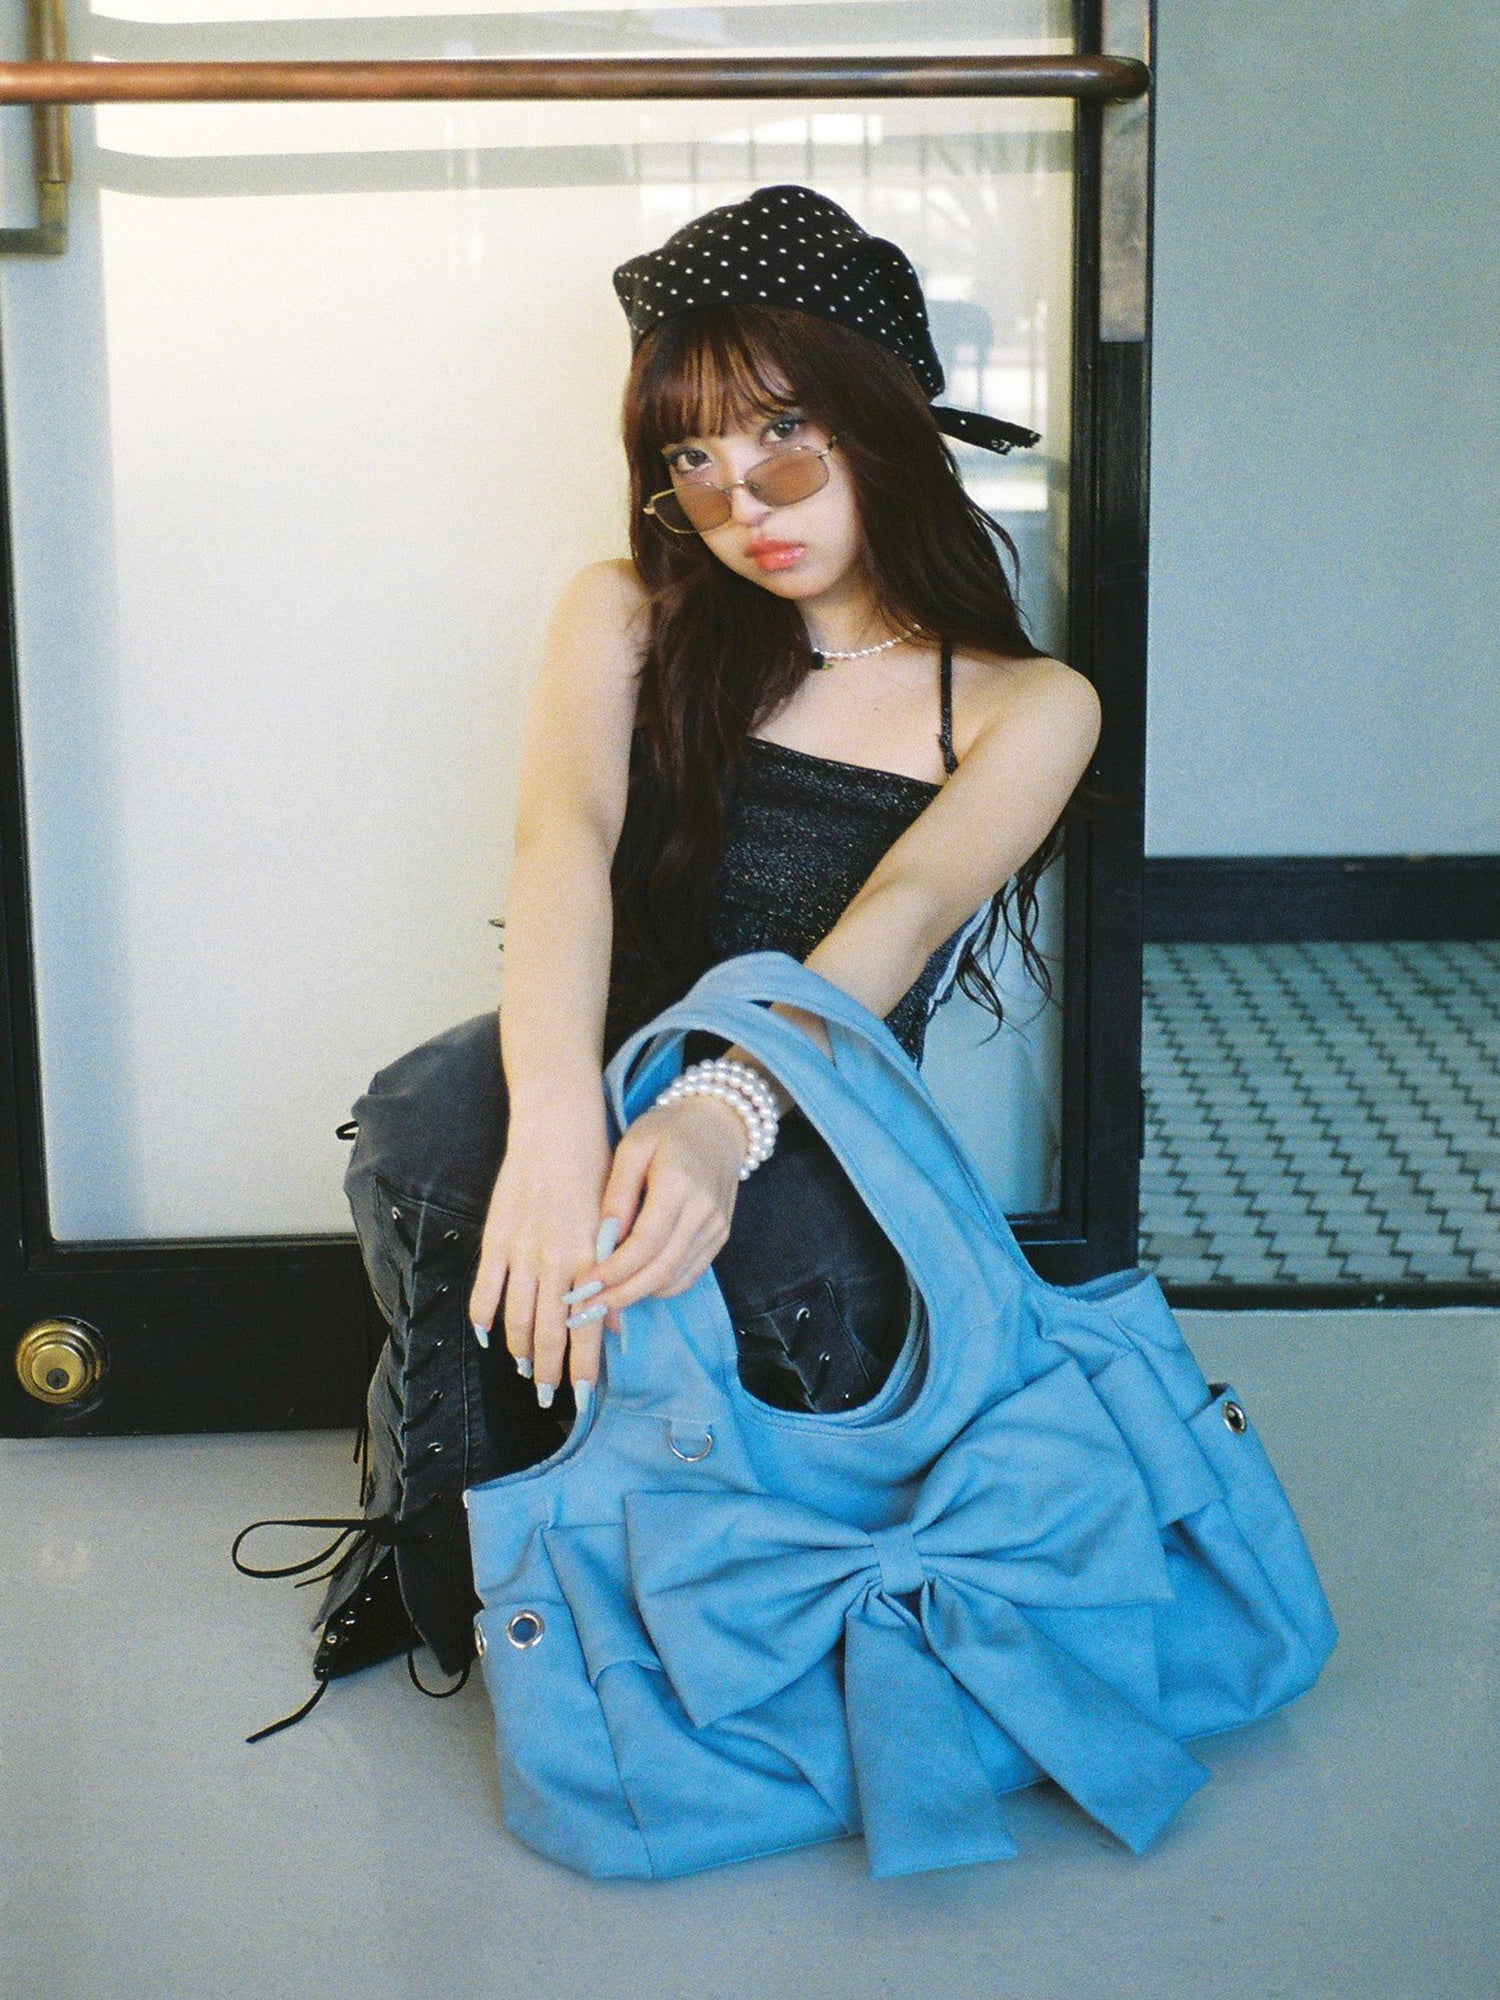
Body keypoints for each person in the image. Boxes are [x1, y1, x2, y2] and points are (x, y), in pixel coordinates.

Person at [238, 185, 1102, 1732]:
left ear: (883, 421)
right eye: (691, 458)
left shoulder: (1027, 705)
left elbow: (899, 921)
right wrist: (556, 1120)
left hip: (819, 1100)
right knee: (436, 1126)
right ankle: (448, 1542)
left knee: (746, 1267)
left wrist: (720, 1111)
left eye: (783, 438)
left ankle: (707, 1577)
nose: (740, 497)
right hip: (613, 1031)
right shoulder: (624, 614)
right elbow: (560, 846)